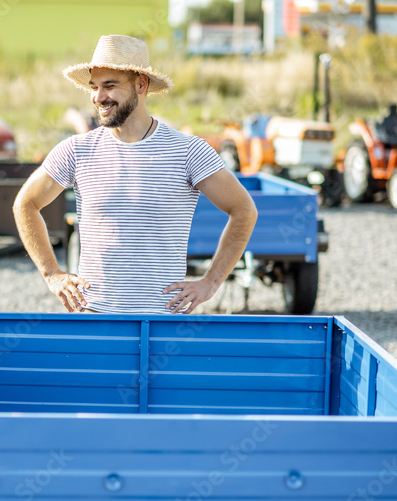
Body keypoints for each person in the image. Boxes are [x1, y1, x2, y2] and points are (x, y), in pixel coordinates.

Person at [14, 34, 257, 315]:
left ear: (141, 84)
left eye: (110, 86)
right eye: (94, 87)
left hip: (164, 323)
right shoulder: (76, 150)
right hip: (95, 319)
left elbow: (243, 210)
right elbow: (25, 204)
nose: (98, 97)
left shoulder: (188, 151)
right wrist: (51, 274)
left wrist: (210, 283)